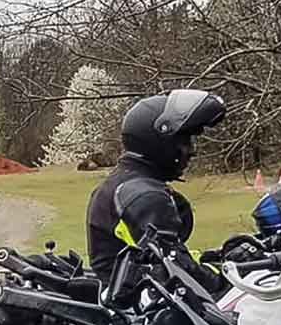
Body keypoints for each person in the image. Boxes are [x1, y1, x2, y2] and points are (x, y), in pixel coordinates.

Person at [84, 89, 228, 302]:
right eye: (184, 141)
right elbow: (175, 267)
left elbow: (163, 253)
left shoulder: (123, 182)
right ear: (159, 141)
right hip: (143, 310)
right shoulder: (145, 196)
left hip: (126, 300)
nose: (190, 151)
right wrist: (227, 282)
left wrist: (220, 258)